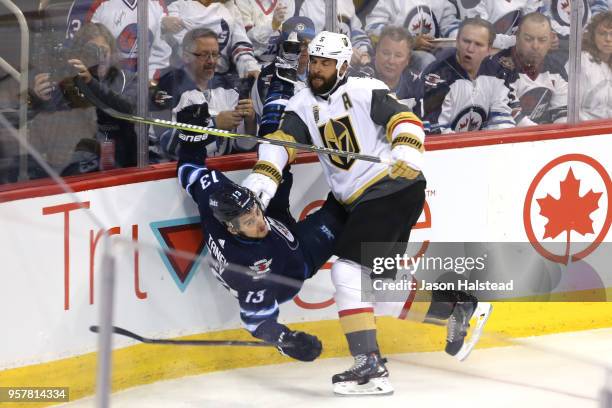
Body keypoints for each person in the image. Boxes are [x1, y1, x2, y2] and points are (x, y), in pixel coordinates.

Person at [241, 30, 492, 396]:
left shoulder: (363, 89)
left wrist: (407, 152)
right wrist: (262, 179)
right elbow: (282, 145)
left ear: (342, 66)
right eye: (315, 62)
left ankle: (370, 367)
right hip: (351, 202)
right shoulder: (301, 103)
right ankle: (455, 308)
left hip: (391, 188)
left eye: (326, 63)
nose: (318, 69)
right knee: (375, 291)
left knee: (347, 272)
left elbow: (403, 119)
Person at [173, 72, 346, 363]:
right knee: (345, 206)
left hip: (277, 225)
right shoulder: (246, 271)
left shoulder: (217, 196)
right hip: (294, 263)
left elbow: (188, 169)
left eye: (253, 211)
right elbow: (257, 322)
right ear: (232, 228)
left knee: (273, 157)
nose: (257, 219)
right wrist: (286, 339)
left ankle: (281, 82)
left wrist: (192, 136)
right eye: (250, 221)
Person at [31, 22, 138, 172]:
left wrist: (90, 83)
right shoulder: (71, 82)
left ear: (112, 51)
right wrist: (36, 99)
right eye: (91, 51)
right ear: (80, 55)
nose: (99, 58)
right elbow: (37, 117)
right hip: (77, 169)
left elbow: (128, 110)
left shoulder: (129, 80)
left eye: (103, 51)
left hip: (123, 167)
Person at [152, 28, 257, 159]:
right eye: (204, 54)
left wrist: (250, 122)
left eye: (215, 54)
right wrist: (214, 124)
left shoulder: (227, 86)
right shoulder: (168, 86)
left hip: (222, 168)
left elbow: (242, 146)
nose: (212, 61)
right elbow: (164, 142)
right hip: (178, 172)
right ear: (186, 56)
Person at [421, 18, 515, 133]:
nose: (470, 49)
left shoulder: (497, 74)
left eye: (478, 44)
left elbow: (501, 119)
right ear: (457, 41)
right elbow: (435, 129)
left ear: (489, 49)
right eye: (466, 41)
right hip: (446, 148)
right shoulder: (438, 76)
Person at [488, 12, 568, 126]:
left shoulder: (556, 68)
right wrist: (545, 136)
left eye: (542, 40)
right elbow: (514, 118)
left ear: (551, 39)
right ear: (517, 36)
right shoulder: (500, 67)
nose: (535, 46)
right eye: (528, 39)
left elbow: (562, 113)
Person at [65, 0, 171, 81]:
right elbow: (75, 51)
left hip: (142, 90)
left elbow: (160, 54)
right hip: (97, 86)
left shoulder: (157, 4)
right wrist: (92, 83)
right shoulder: (88, 3)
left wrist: (148, 82)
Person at [163, 0, 261, 81]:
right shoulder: (177, 8)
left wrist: (249, 66)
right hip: (185, 79)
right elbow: (176, 45)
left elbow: (240, 44)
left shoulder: (231, 9)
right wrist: (163, 25)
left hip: (221, 79)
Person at [365, 0, 461, 72]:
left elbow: (450, 24)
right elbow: (373, 29)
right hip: (399, 55)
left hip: (434, 51)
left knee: (455, 55)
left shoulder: (441, 2)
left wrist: (463, 39)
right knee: (425, 59)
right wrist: (410, 42)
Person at [571, 11, 612, 120]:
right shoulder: (581, 62)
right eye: (602, 33)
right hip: (588, 131)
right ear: (592, 36)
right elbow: (572, 110)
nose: (608, 39)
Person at [373, 25, 422, 110]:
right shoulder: (359, 81)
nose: (391, 61)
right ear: (376, 52)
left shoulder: (415, 84)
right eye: (386, 53)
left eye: (398, 56)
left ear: (408, 59)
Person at [470, 0, 542, 50]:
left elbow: (529, 17)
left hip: (505, 52)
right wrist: (514, 40)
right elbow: (481, 35)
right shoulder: (484, 3)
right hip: (480, 52)